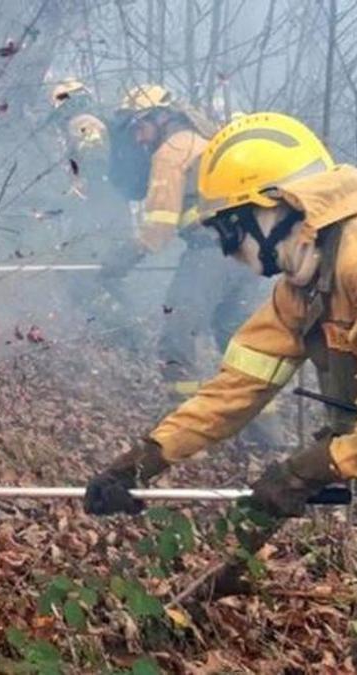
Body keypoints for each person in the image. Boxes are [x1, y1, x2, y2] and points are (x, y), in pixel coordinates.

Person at [84, 111, 357, 673]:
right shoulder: (308, 281)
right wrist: (143, 461)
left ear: (273, 207)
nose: (226, 249)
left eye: (229, 228)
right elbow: (237, 387)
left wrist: (307, 469)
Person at [104, 84, 282, 447]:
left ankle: (185, 438)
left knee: (176, 338)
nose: (138, 138)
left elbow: (159, 225)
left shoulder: (172, 152)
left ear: (158, 119)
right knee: (240, 344)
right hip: (247, 254)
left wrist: (122, 259)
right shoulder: (206, 141)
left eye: (138, 127)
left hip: (212, 252)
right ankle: (268, 437)